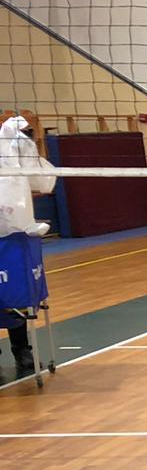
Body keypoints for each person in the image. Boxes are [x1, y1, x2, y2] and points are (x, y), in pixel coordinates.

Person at [1, 114, 55, 377]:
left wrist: (32, 142)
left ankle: (22, 350)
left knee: (16, 294)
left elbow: (43, 181)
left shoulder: (13, 148)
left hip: (14, 234)